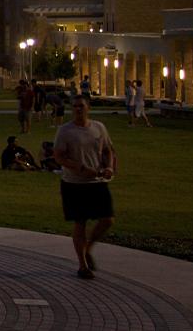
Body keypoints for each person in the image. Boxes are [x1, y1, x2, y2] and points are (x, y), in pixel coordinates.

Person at [53, 96, 118, 280]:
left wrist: (109, 167)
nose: (78, 110)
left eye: (81, 106)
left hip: (97, 183)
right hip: (74, 184)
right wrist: (80, 168)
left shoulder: (99, 127)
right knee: (80, 223)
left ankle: (87, 248)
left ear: (88, 107)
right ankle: (82, 266)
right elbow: (58, 156)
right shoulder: (65, 131)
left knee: (107, 220)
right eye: (74, 107)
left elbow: (108, 150)